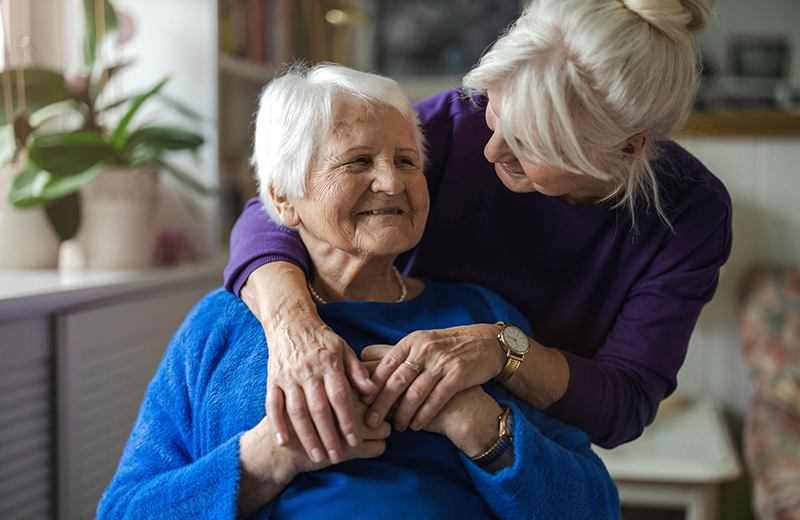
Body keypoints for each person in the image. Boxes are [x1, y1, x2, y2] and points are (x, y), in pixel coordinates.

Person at [96, 64, 619, 520]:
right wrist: (272, 455)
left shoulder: (484, 320)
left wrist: (476, 421)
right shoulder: (220, 326)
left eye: (408, 161)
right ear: (282, 196)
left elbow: (595, 516)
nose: (392, 182)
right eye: (357, 161)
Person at [224, 0, 731, 466]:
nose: (491, 152)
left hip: (522, 440)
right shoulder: (456, 122)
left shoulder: (689, 214)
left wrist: (505, 350)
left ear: (627, 149)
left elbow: (625, 404)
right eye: (495, 112)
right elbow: (274, 207)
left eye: (529, 144)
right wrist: (295, 330)